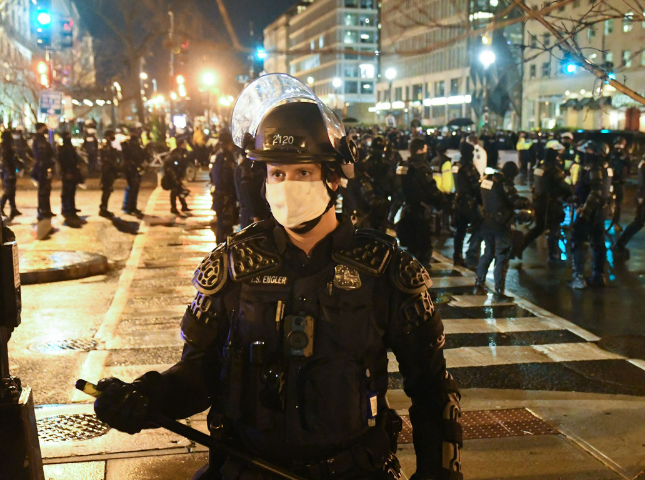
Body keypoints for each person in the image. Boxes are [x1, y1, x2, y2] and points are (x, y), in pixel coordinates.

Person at [92, 73, 462, 480]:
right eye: (276, 174)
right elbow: (199, 375)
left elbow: (432, 392)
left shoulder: (385, 270)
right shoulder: (232, 267)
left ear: (333, 178)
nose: (287, 186)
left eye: (302, 173)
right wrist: (143, 397)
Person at [475, 161, 531, 297]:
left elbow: (477, 196)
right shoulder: (504, 182)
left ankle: (478, 284)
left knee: (488, 253)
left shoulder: (486, 179)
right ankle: (499, 291)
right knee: (502, 257)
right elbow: (515, 201)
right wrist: (527, 202)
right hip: (502, 224)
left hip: (486, 221)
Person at [520, 140, 573, 264]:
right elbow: (564, 186)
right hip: (550, 204)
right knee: (554, 229)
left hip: (538, 202)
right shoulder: (553, 170)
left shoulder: (539, 168)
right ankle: (553, 255)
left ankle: (519, 247)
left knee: (538, 228)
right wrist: (570, 192)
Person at [395, 137, 445, 267]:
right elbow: (431, 189)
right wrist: (443, 202)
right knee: (424, 246)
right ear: (420, 150)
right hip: (421, 211)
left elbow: (395, 186)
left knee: (410, 246)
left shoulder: (403, 166)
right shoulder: (421, 168)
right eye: (425, 150)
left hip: (406, 209)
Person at [569, 141, 612, 289]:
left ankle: (578, 278)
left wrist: (585, 211)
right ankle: (598, 275)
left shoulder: (594, 167)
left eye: (588, 150)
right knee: (598, 241)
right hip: (600, 210)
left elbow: (596, 191)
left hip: (591, 210)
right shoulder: (606, 167)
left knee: (578, 241)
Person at [452, 142, 483, 268]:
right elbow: (475, 186)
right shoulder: (468, 167)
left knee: (460, 231)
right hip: (470, 203)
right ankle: (471, 257)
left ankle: (457, 255)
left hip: (459, 201)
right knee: (479, 227)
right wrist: (482, 201)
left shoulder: (457, 164)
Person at [210, 130, 238, 243]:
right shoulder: (227, 157)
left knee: (221, 225)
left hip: (218, 195)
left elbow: (212, 175)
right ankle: (223, 255)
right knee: (226, 227)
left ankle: (220, 252)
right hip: (226, 198)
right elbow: (228, 179)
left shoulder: (217, 155)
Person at [234, 149, 269, 230]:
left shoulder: (244, 166)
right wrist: (255, 215)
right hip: (251, 214)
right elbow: (247, 193)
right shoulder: (248, 168)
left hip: (250, 212)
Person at [56, 132, 83, 221]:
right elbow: (63, 162)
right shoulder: (63, 149)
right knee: (67, 192)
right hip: (67, 172)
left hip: (73, 171)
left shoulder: (70, 148)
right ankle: (66, 209)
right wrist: (66, 172)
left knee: (72, 191)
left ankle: (72, 208)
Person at [31, 122, 55, 220]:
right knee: (43, 189)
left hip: (45, 167)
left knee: (47, 189)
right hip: (42, 168)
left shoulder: (42, 139)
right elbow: (41, 155)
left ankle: (46, 209)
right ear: (40, 128)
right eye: (44, 128)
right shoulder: (38, 140)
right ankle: (42, 210)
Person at [121, 128, 147, 217]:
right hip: (130, 168)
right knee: (131, 187)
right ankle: (127, 206)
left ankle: (133, 207)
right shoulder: (126, 144)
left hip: (136, 167)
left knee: (135, 188)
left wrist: (146, 150)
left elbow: (141, 155)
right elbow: (127, 156)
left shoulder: (137, 144)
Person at [608, 137, 632, 232]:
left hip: (618, 180)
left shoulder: (624, 155)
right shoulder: (612, 154)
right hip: (611, 180)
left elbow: (629, 166)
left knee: (618, 203)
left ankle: (616, 222)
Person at [164, 137, 191, 216]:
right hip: (173, 175)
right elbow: (169, 166)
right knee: (175, 191)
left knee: (179, 189)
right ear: (181, 145)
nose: (186, 144)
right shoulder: (175, 153)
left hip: (178, 175)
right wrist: (174, 177)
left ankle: (184, 206)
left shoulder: (183, 152)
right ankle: (173, 208)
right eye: (184, 143)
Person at [99, 130, 121, 218]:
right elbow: (107, 159)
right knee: (106, 190)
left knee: (108, 190)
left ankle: (104, 208)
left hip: (110, 171)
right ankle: (103, 209)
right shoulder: (105, 146)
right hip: (107, 171)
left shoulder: (109, 145)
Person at [0, 130, 21, 219]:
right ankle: (1, 207)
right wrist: (9, 173)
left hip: (9, 171)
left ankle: (13, 209)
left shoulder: (8, 145)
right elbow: (6, 161)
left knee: (11, 191)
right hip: (7, 172)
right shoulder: (5, 146)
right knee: (8, 191)